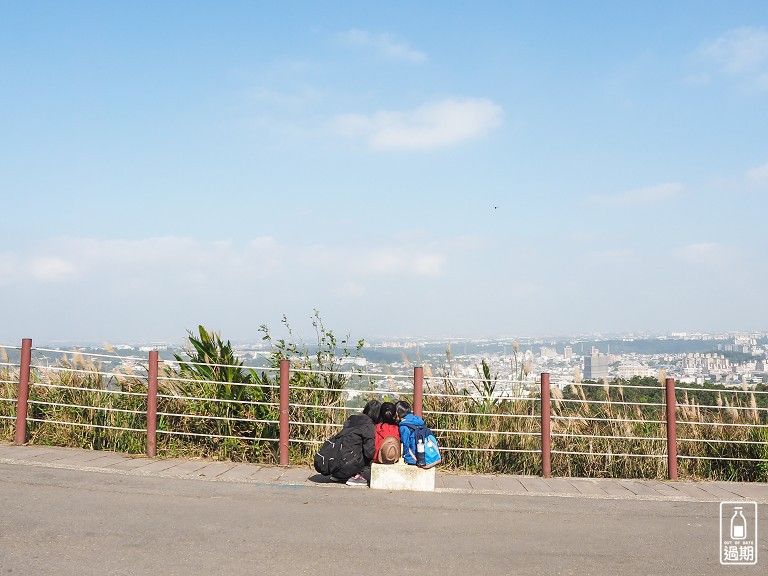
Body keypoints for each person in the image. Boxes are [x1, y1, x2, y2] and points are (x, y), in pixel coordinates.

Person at [329, 399, 378, 486]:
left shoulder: (352, 419)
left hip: (336, 463)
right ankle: (356, 476)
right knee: (368, 451)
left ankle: (340, 475)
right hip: (348, 464)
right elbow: (369, 452)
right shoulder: (369, 426)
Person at [395, 400, 426, 465]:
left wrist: (406, 458)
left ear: (397, 413)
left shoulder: (404, 427)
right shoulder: (418, 421)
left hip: (412, 458)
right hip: (423, 456)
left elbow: (405, 444)